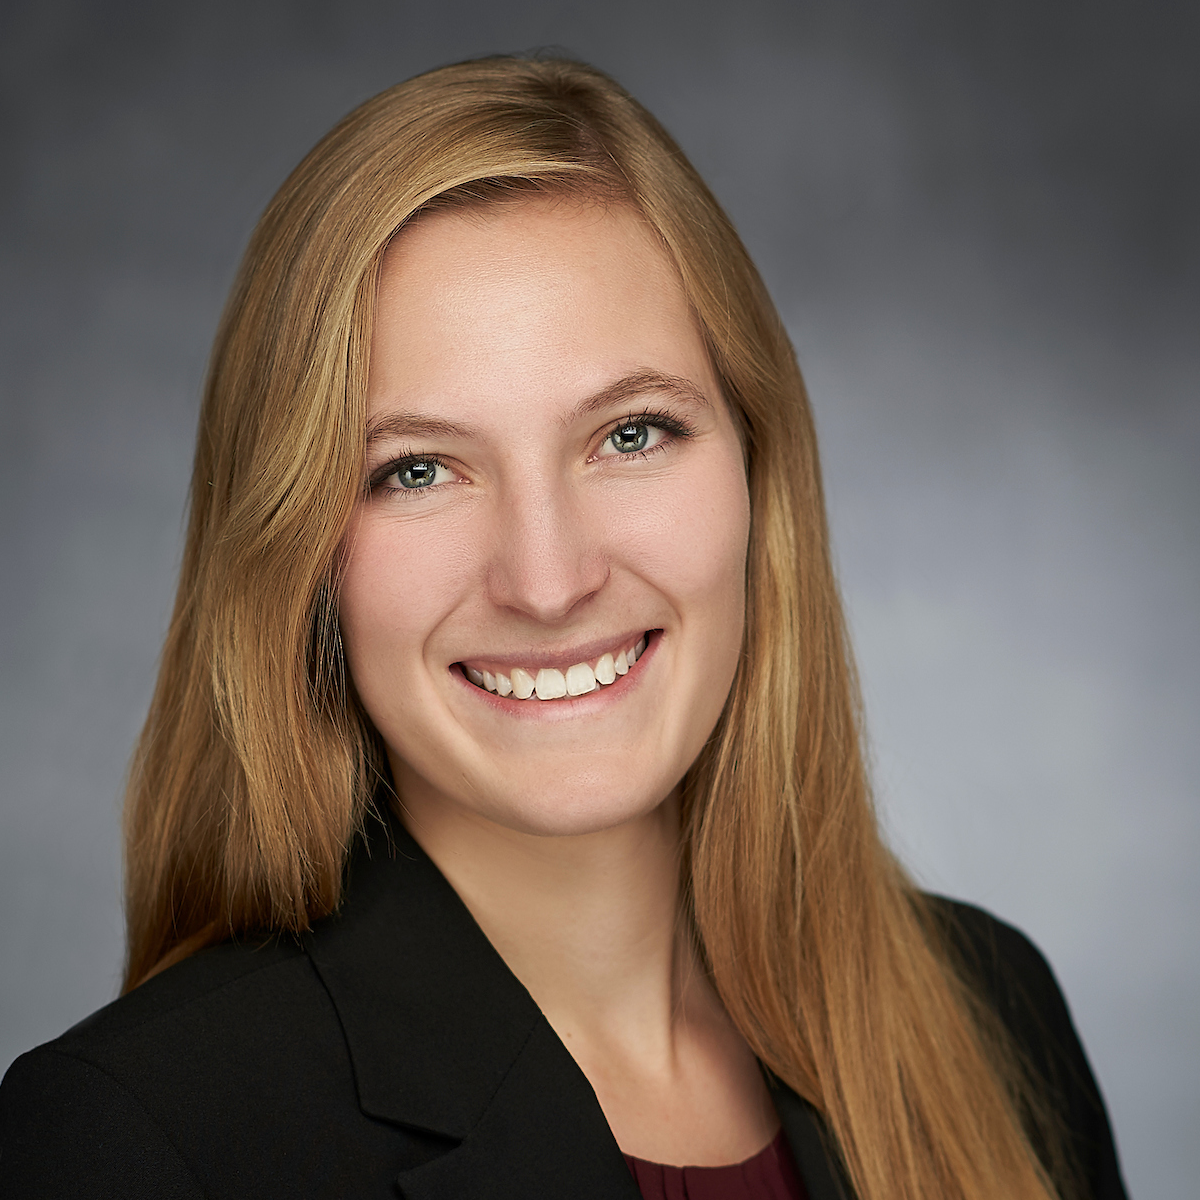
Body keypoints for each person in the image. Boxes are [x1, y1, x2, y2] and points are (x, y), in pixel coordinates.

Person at [0, 56, 1126, 1200]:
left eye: (631, 435)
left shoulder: (994, 1013)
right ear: (299, 557)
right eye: (419, 469)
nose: (548, 581)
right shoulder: (136, 1138)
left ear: (756, 465)